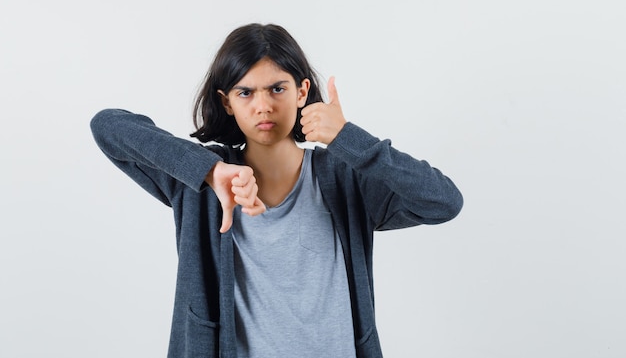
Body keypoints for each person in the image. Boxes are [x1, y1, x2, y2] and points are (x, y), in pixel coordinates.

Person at [90, 23, 463, 358]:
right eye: (245, 92)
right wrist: (209, 171)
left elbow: (443, 201)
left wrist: (348, 139)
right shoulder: (200, 186)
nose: (263, 106)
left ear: (302, 92)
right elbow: (107, 127)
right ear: (227, 102)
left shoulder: (345, 178)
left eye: (277, 88)